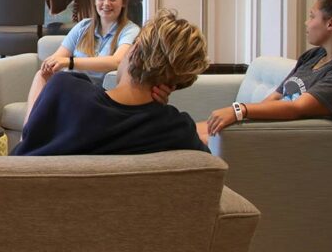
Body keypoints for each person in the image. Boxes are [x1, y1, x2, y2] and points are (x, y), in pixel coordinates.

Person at [202, 0, 332, 144]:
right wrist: (245, 121)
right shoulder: (314, 56)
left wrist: (239, 111)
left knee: (186, 139)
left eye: (311, 16)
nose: (306, 23)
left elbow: (296, 108)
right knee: (185, 130)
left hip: (290, 139)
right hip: (267, 129)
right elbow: (276, 97)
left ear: (331, 24)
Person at [12, 9, 209, 156]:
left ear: (135, 50)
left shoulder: (65, 90)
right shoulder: (176, 129)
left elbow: (24, 151)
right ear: (178, 83)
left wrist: (42, 78)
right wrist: (156, 112)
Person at [25, 0, 139, 125]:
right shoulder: (83, 26)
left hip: (98, 93)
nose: (106, 3)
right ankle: (27, 134)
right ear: (94, 0)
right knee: (42, 74)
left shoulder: (130, 30)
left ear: (123, 2)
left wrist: (69, 63)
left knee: (61, 81)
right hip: (69, 86)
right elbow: (58, 57)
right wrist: (50, 64)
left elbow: (117, 61)